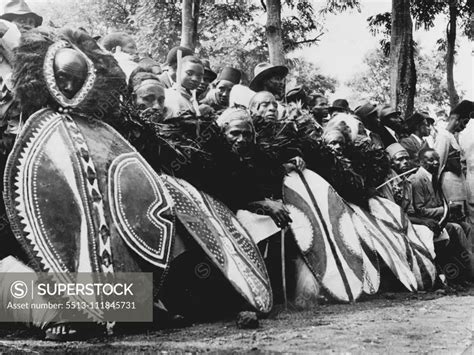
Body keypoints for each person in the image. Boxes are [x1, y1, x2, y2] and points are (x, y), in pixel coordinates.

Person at [409, 148, 473, 287]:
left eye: (437, 159)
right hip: (427, 222)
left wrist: (450, 209)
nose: (436, 162)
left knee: (467, 227)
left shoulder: (433, 177)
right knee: (456, 229)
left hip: (439, 217)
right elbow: (420, 210)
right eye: (431, 160)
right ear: (421, 162)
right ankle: (466, 272)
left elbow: (438, 203)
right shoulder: (417, 180)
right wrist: (445, 209)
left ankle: (467, 268)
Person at [434, 100, 472, 219]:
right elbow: (437, 166)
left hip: (459, 189)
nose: (464, 126)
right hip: (449, 189)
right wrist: (435, 193)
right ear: (455, 118)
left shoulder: (452, 137)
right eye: (464, 122)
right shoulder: (443, 137)